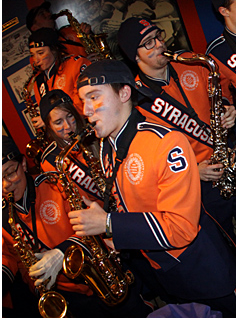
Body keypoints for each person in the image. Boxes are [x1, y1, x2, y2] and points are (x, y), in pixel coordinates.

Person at [69, 59, 236, 317]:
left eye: (94, 97)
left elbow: (181, 228)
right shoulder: (107, 147)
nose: (86, 110)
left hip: (199, 265)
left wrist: (110, 224)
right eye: (83, 101)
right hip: (165, 269)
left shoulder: (166, 143)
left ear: (124, 93)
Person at [116, 17, 236, 284]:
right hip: (195, 176)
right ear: (133, 54)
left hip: (227, 155)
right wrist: (193, 171)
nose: (160, 45)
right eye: (148, 44)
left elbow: (222, 96)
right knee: (220, 228)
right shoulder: (136, 101)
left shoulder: (192, 64)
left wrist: (229, 110)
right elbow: (150, 161)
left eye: (158, 36)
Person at [2, 135, 151, 317]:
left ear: (23, 165)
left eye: (10, 173)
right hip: (72, 297)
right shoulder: (4, 218)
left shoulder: (53, 183)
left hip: (102, 274)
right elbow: (14, 260)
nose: (5, 185)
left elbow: (90, 225)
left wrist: (62, 253)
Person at [38, 89, 103, 203]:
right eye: (58, 122)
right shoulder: (50, 159)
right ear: (49, 127)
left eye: (70, 116)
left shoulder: (96, 131)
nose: (67, 126)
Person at [28, 28, 90, 129]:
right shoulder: (38, 82)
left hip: (87, 128)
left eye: (40, 53)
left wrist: (53, 119)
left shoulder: (76, 64)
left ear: (54, 49)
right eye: (32, 55)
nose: (36, 60)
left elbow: (87, 102)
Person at [26, 1, 91, 58]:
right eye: (42, 14)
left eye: (47, 11)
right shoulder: (38, 53)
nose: (49, 14)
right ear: (34, 28)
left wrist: (88, 35)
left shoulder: (68, 31)